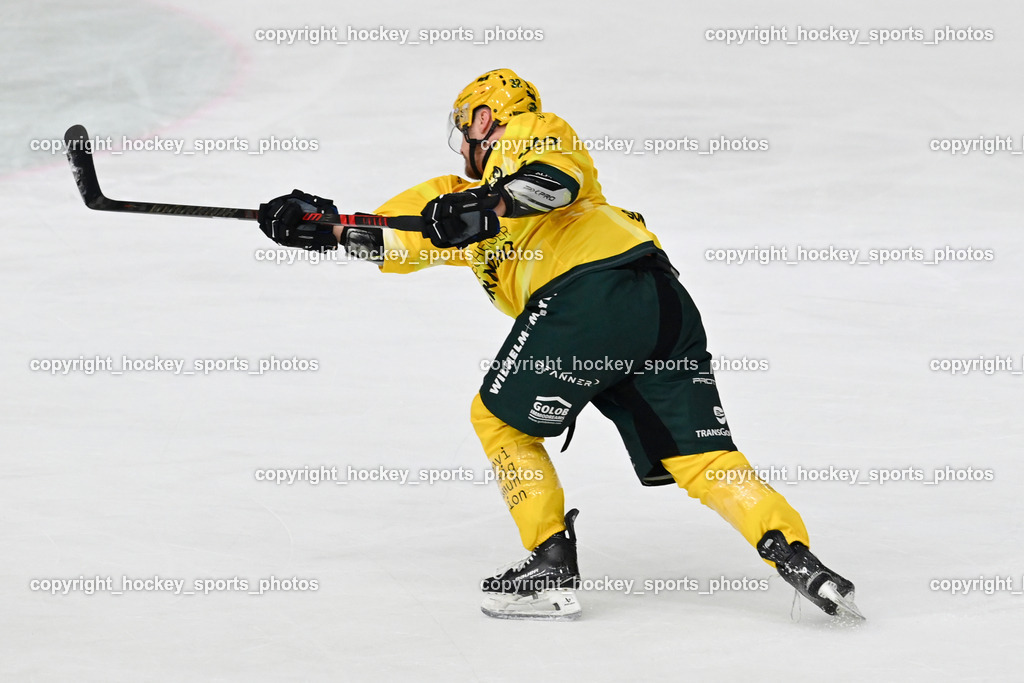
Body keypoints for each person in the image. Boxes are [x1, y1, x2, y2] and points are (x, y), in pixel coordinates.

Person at [256, 68, 862, 622]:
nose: (462, 143)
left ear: (483, 118)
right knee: (699, 458)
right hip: (660, 307)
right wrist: (318, 227)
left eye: (465, 127)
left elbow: (553, 183)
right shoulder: (447, 196)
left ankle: (551, 564)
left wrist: (485, 203)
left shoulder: (532, 131)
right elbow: (389, 238)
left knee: (498, 420)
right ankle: (799, 560)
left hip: (591, 293)